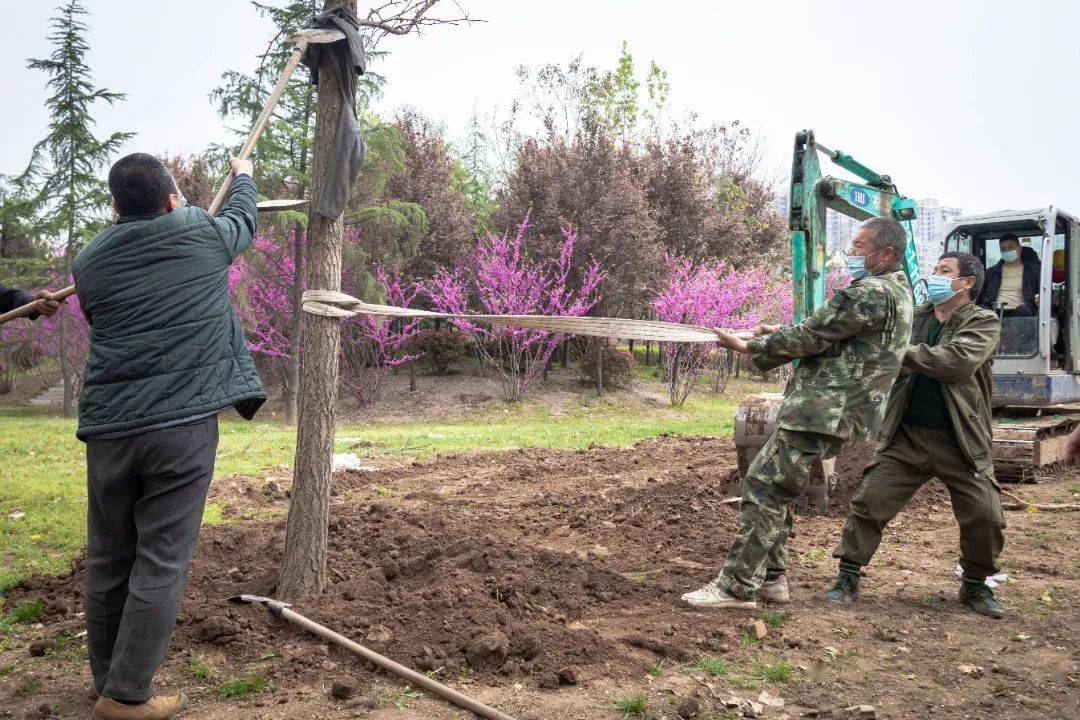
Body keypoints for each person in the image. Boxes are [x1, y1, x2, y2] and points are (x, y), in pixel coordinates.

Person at [74, 153, 266, 720]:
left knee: (109, 559)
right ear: (172, 197)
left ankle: (107, 682)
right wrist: (245, 175)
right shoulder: (202, 234)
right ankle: (128, 696)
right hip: (179, 431)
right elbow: (242, 223)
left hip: (110, 431)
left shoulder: (87, 263)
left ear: (115, 206)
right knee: (160, 559)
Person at [681, 217, 914, 609]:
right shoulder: (898, 293)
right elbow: (832, 334)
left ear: (886, 253)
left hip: (821, 410)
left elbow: (811, 336)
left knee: (763, 487)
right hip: (841, 413)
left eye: (860, 246)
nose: (852, 253)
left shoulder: (869, 292)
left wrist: (747, 347)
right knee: (781, 488)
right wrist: (776, 331)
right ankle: (772, 579)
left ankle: (736, 587)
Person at [827, 252, 1006, 618]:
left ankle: (975, 585)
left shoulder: (983, 322)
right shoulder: (917, 317)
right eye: (935, 269)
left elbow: (956, 362)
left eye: (944, 272)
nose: (934, 276)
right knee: (869, 503)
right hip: (907, 436)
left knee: (985, 515)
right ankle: (847, 577)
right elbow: (874, 348)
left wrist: (893, 349)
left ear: (967, 283)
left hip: (961, 439)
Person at [978, 233, 1039, 316]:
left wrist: (1039, 298)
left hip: (1021, 312)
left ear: (1020, 248)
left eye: (1010, 247)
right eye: (1003, 249)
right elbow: (980, 295)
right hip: (995, 311)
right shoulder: (991, 272)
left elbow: (1042, 292)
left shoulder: (1034, 270)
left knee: (1024, 310)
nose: (1007, 251)